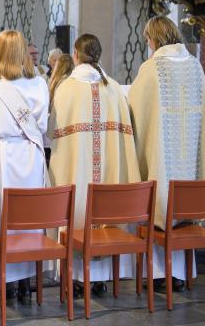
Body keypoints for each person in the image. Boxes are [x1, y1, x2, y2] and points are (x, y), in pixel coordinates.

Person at [128, 16, 205, 293]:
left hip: (163, 156)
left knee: (161, 203)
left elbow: (136, 111)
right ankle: (182, 273)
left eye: (148, 38)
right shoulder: (195, 66)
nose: (147, 43)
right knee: (184, 211)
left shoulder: (151, 68)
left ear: (154, 38)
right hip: (189, 155)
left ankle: (159, 275)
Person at [48, 34, 141, 297]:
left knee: (78, 213)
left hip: (77, 169)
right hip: (108, 171)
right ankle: (102, 277)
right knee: (104, 213)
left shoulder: (66, 88)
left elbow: (52, 132)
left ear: (76, 55)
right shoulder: (113, 88)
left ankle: (78, 277)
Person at [0, 30, 49, 305]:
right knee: (28, 218)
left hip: (2, 154)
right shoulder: (39, 84)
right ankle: (26, 281)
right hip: (31, 155)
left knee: (3, 218)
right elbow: (41, 126)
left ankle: (5, 281)